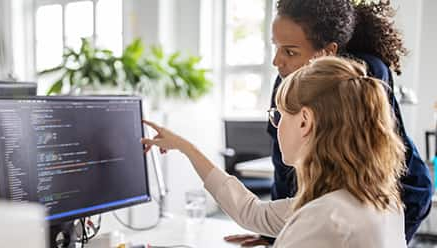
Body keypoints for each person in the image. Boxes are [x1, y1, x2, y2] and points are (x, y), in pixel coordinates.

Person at [224, 0, 432, 245]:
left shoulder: (362, 76)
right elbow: (284, 170)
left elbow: (381, 163)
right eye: (276, 47)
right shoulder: (285, 81)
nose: (277, 61)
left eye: (290, 52)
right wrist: (275, 235)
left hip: (402, 195)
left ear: (328, 51)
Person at [142, 56, 408, 247]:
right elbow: (253, 213)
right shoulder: (379, 201)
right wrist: (187, 148)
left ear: (305, 121)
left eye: (278, 115)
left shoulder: (324, 218)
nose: (275, 127)